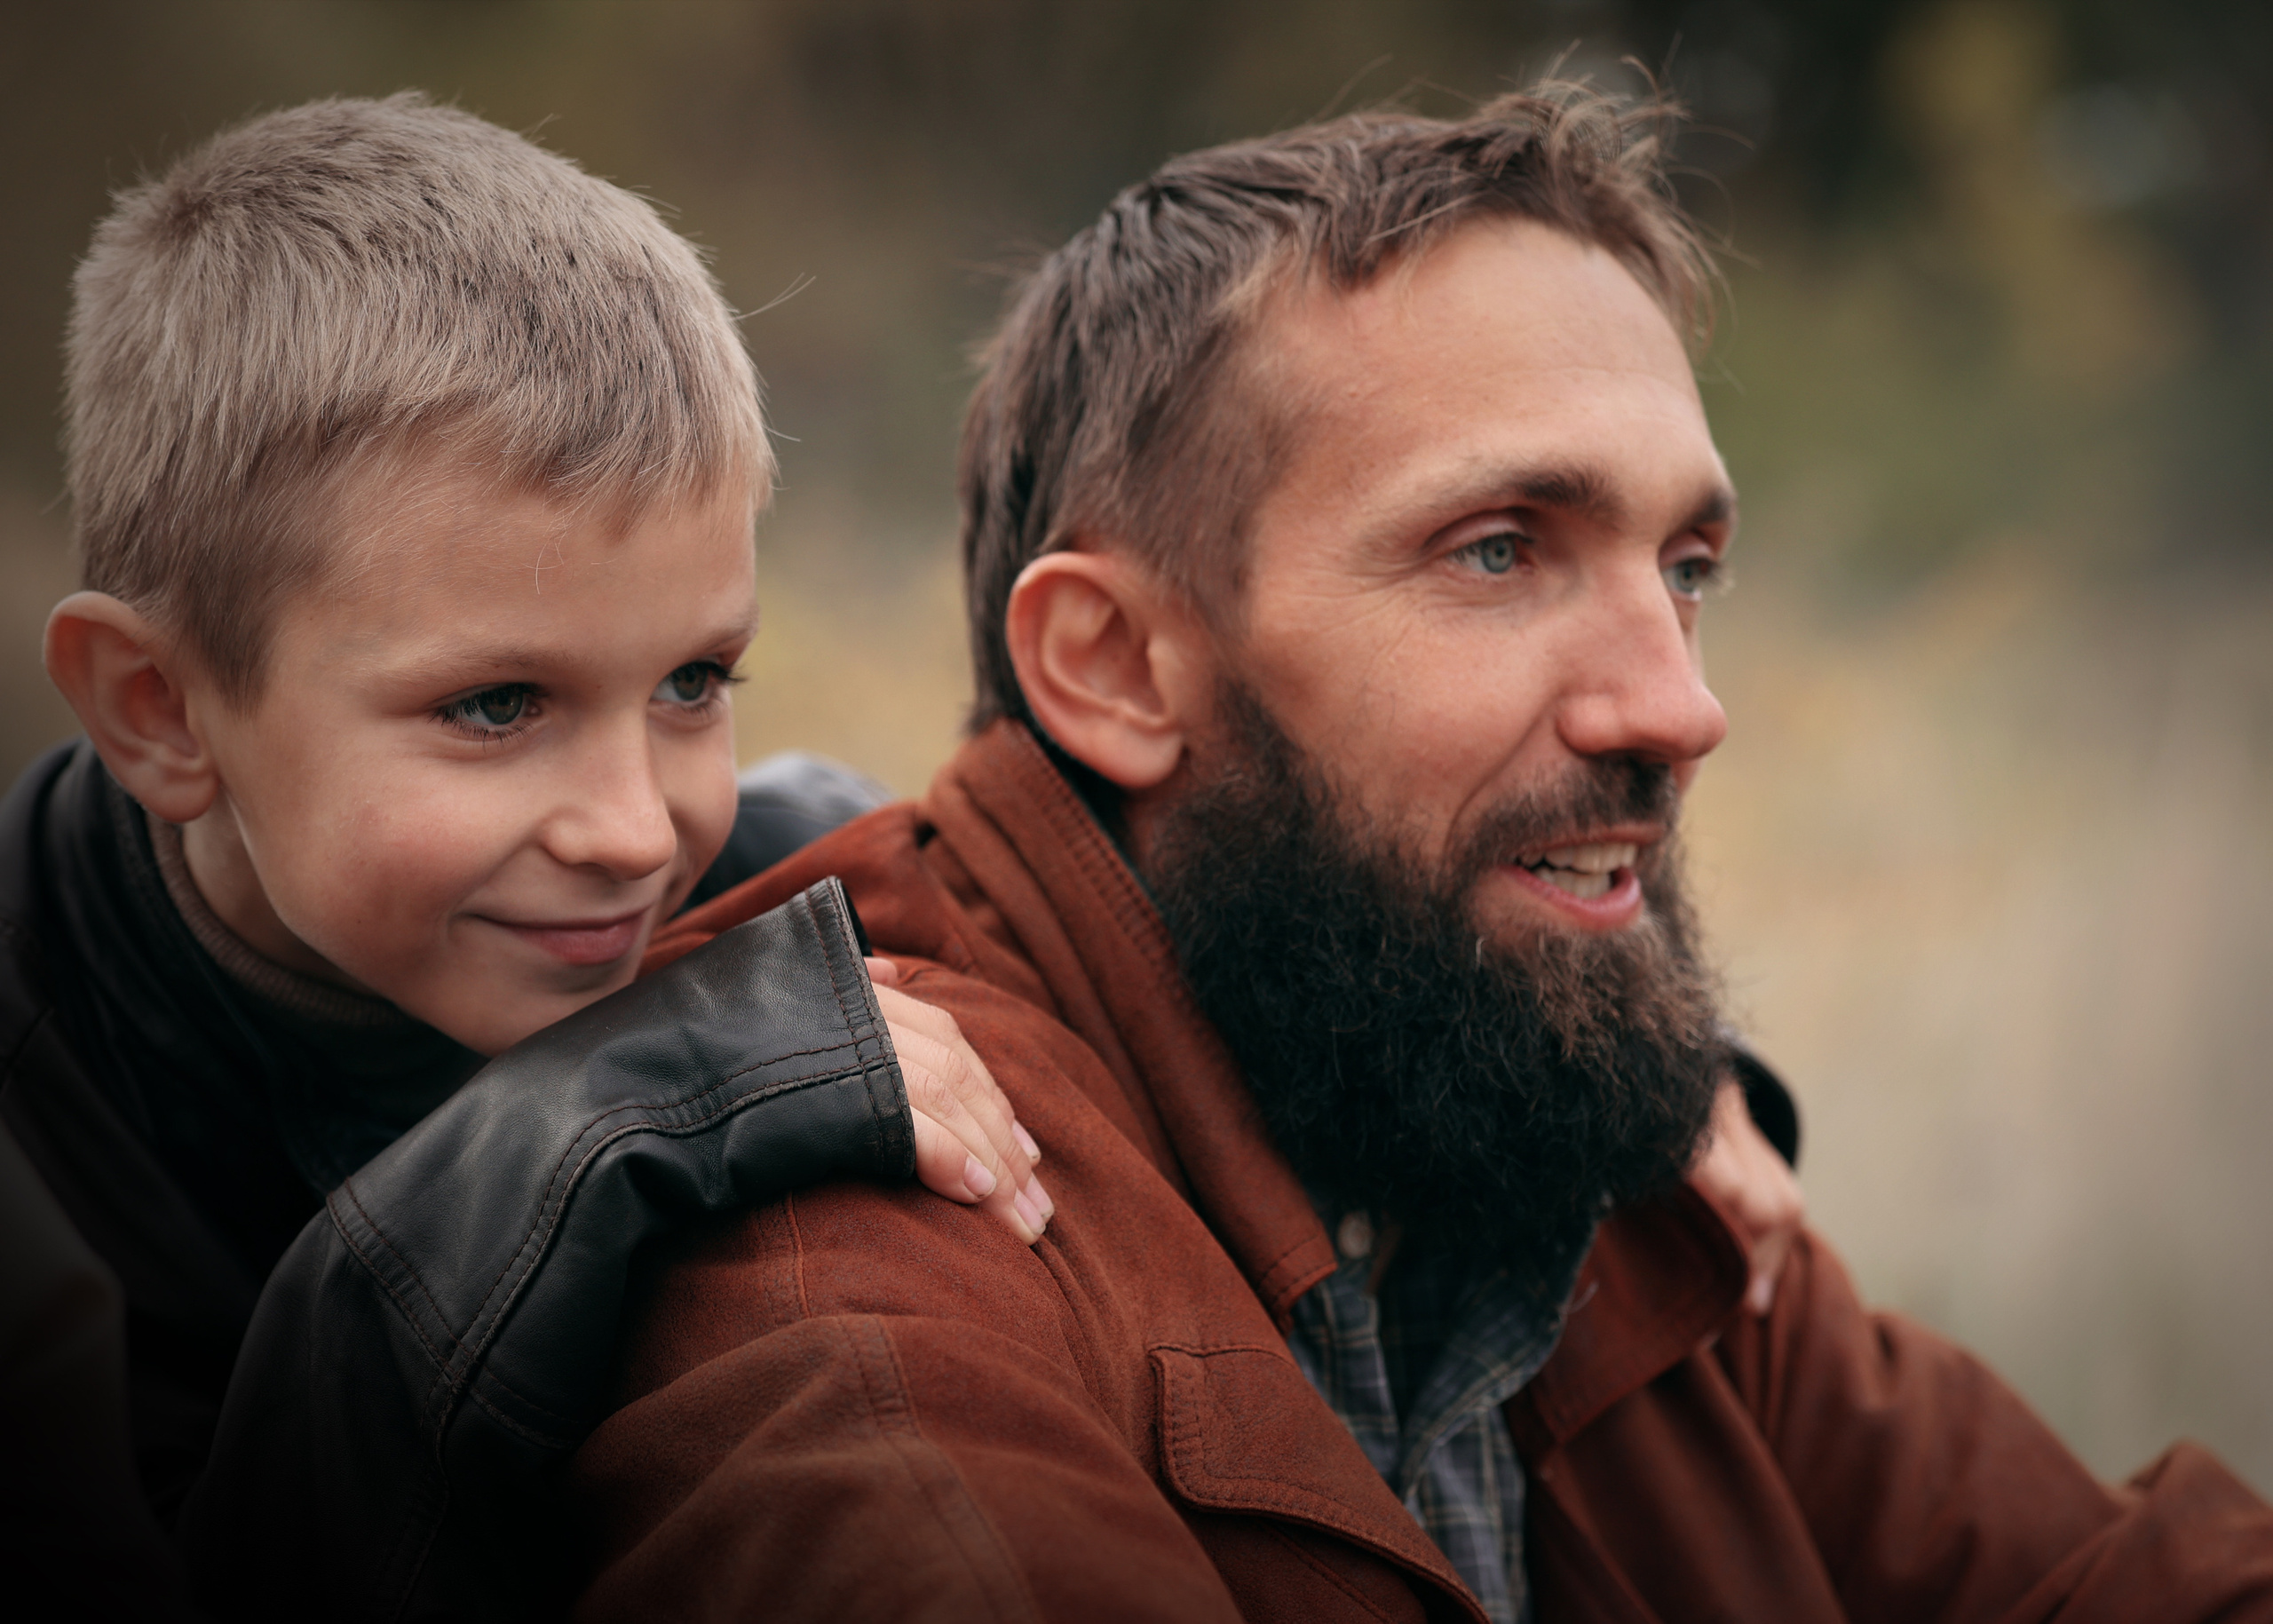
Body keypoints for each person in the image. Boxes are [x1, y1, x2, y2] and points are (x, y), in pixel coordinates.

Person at [569, 83, 2273, 1621]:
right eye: (1499, 550)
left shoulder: (1555, 1127)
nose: (1678, 706)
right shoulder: (870, 1278)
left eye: (1687, 564)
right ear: (1113, 665)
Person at [0, 93, 1052, 1617]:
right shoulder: (38, 1124)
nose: (637, 831)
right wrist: (591, 1120)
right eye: (497, 704)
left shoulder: (814, 878)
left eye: (696, 682)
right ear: (163, 710)